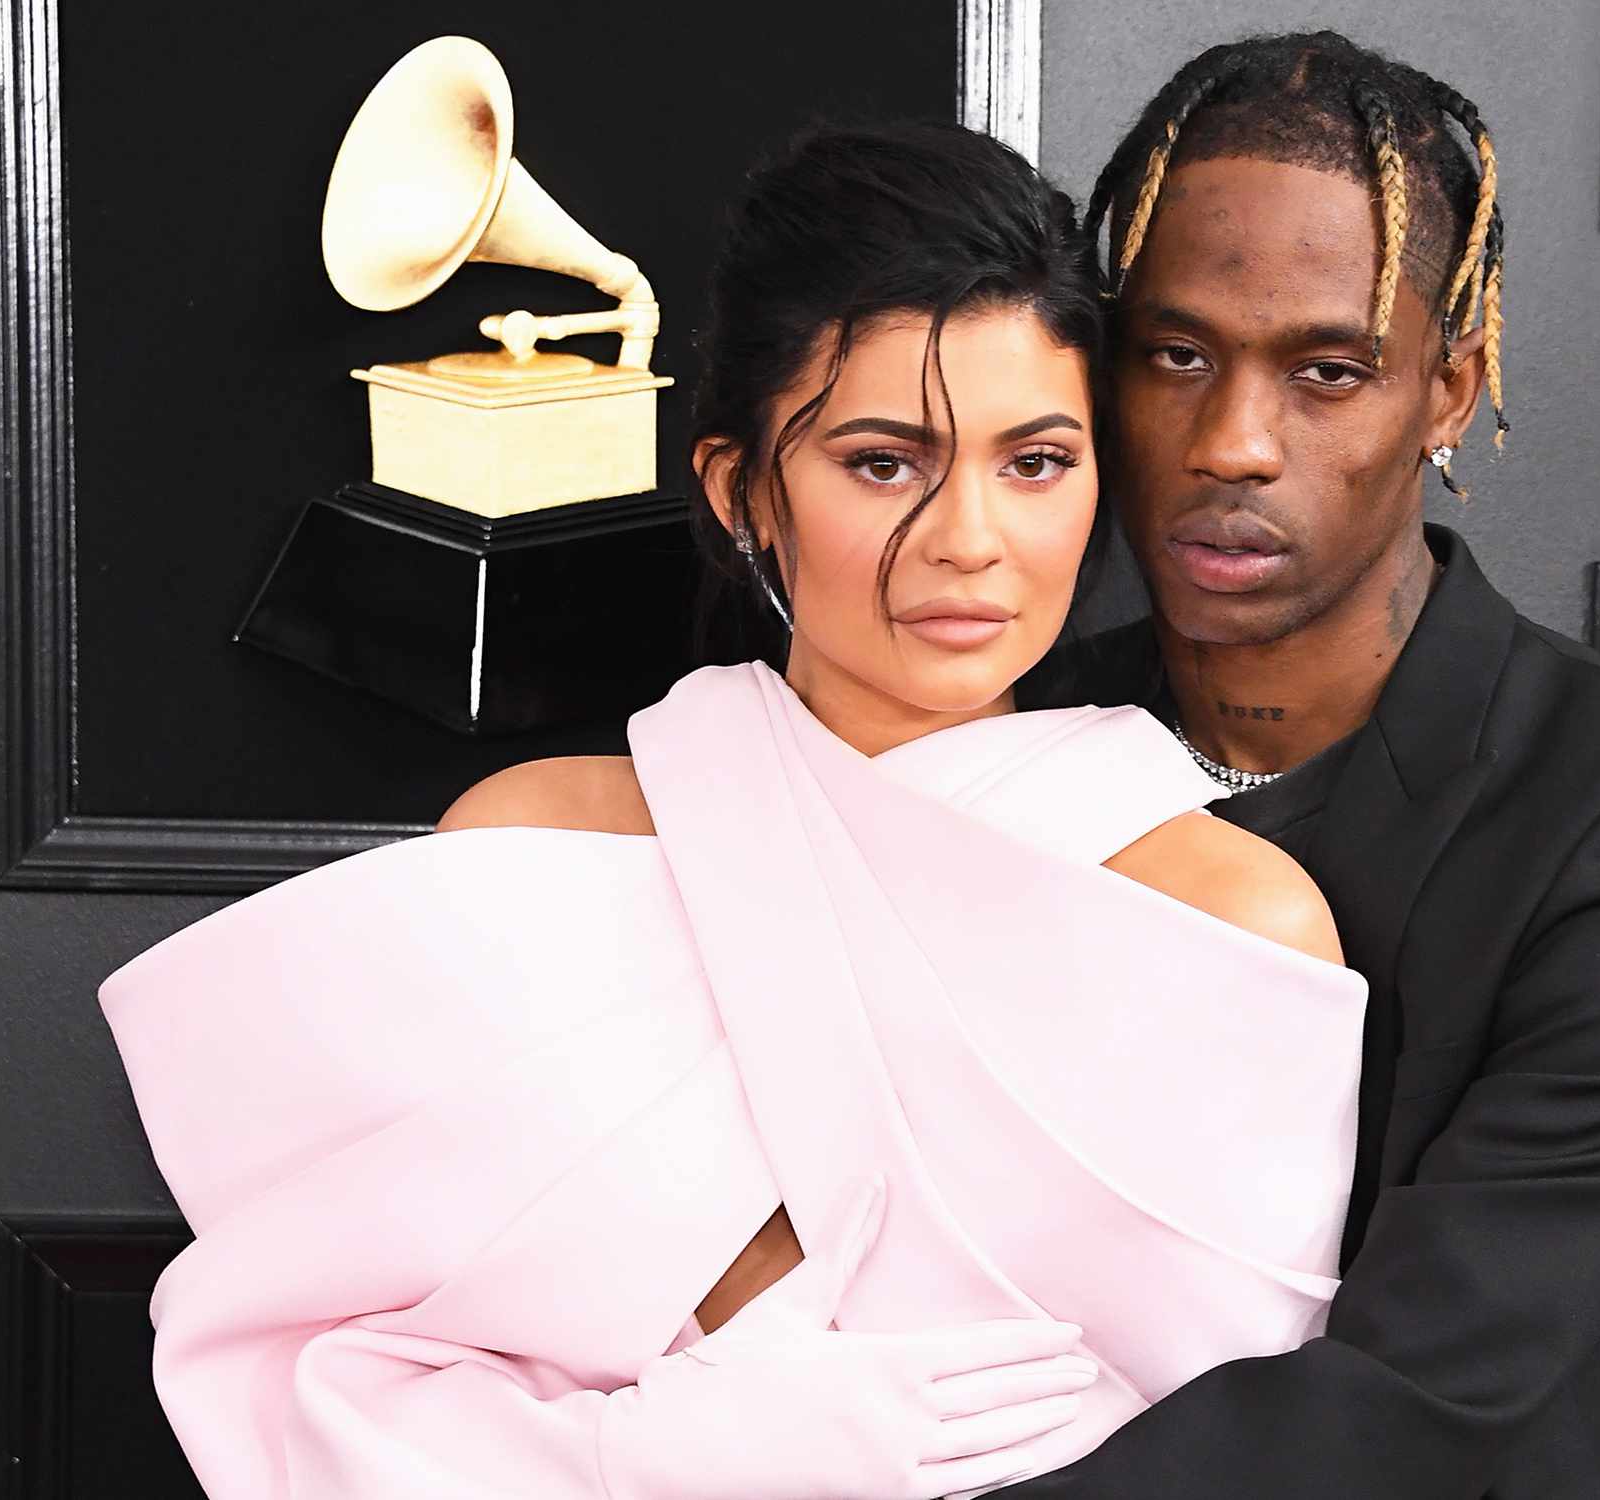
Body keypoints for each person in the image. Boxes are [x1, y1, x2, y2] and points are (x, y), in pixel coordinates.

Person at [98, 121, 1370, 1500]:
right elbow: (351, 1377)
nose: (968, 538)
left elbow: (1237, 1451)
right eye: (883, 461)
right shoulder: (531, 847)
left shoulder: (1230, 925)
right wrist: (643, 1453)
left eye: (1036, 462)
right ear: (740, 488)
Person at [1007, 29, 1600, 1500]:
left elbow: (1413, 1387)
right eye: (1174, 356)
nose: (1232, 442)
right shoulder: (1004, 736)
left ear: (1445, 392)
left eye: (1328, 370)